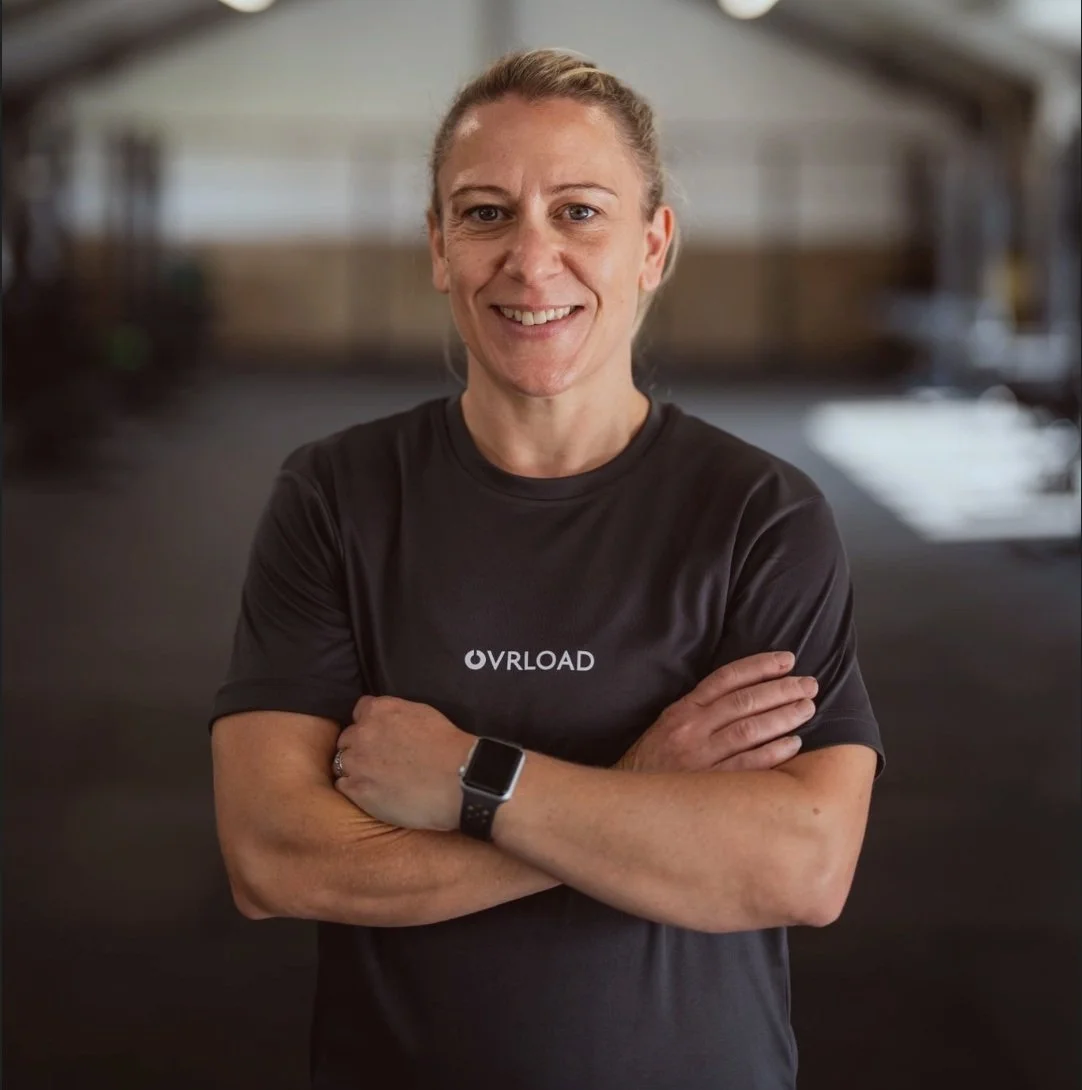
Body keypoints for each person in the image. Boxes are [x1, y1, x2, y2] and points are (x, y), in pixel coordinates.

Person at [209, 48, 884, 1090]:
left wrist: (473, 783)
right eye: (484, 213)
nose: (530, 261)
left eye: (578, 212)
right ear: (438, 245)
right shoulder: (335, 495)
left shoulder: (758, 514)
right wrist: (638, 794)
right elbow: (271, 857)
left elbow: (800, 864)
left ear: (652, 245)